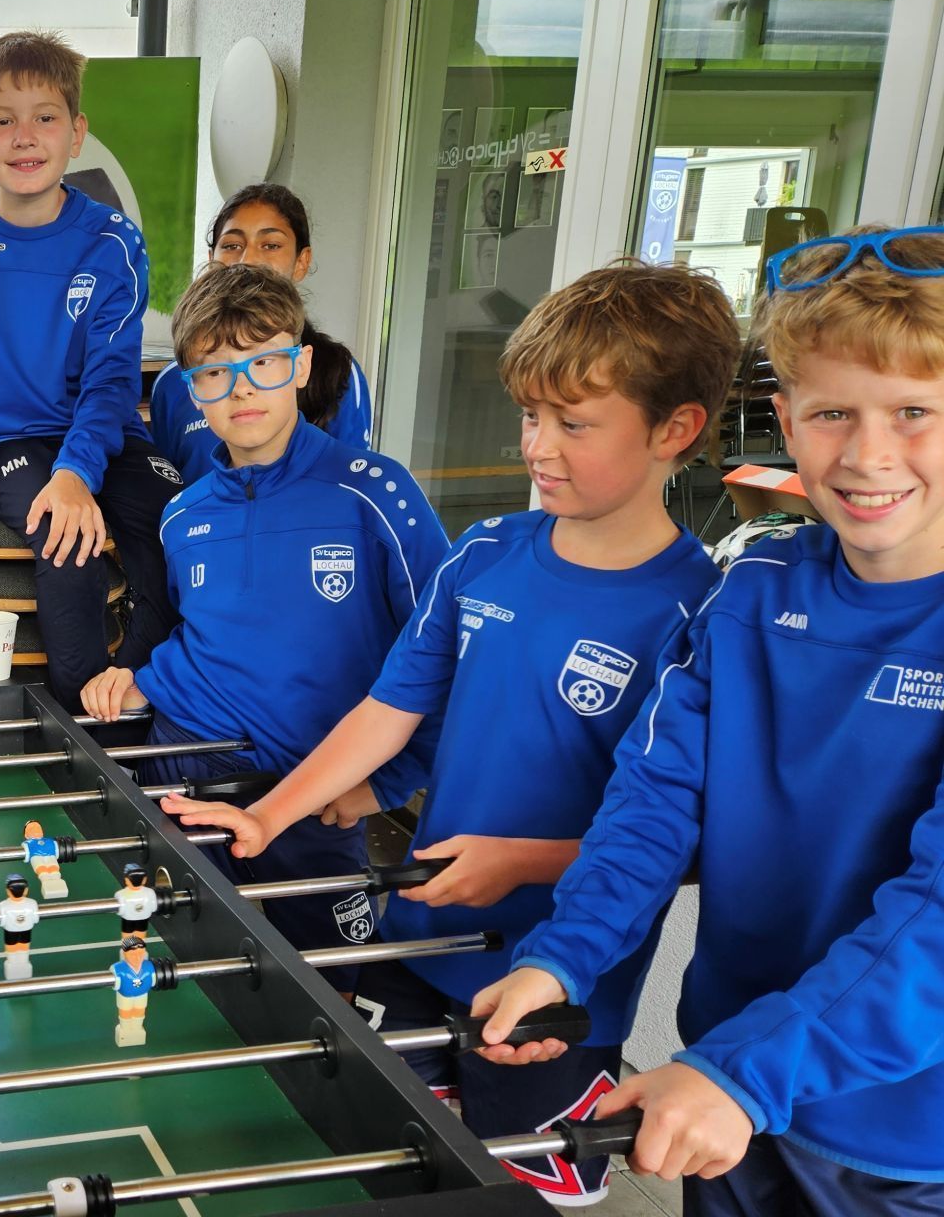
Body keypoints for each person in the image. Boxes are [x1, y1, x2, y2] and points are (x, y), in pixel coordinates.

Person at [164, 262, 737, 1207]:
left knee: (515, 1193)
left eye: (574, 424)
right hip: (416, 936)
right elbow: (386, 713)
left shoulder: (701, 614)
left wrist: (524, 861)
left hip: (558, 981)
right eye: (529, 417)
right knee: (396, 1168)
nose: (538, 449)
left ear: (675, 430)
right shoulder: (483, 556)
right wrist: (268, 817)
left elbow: (685, 839)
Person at [471, 227, 944, 1211]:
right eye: (828, 413)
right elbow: (653, 799)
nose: (866, 455)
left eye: (911, 411)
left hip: (896, 1137)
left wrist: (744, 1071)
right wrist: (565, 950)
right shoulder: (751, 590)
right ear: (781, 415)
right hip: (724, 1088)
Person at [87, 263, 447, 992]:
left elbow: (443, 655)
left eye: (263, 363)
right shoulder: (183, 515)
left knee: (330, 1005)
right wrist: (139, 680)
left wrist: (388, 786)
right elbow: (210, 639)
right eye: (214, 373)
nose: (241, 387)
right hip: (182, 778)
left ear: (301, 365)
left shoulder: (375, 493)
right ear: (190, 391)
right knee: (194, 988)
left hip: (314, 800)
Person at [0, 29, 182, 710]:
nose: (24, 136)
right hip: (6, 445)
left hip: (101, 437)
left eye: (45, 117)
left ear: (76, 134)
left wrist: (77, 472)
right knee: (66, 542)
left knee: (182, 517)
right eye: (3, 120)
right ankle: (83, 729)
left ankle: (145, 691)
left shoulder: (113, 242)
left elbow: (112, 379)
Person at [151, 182, 375, 480]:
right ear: (211, 258)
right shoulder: (172, 383)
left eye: (270, 245)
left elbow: (354, 486)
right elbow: (172, 490)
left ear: (301, 261)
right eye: (232, 246)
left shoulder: (338, 373)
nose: (249, 260)